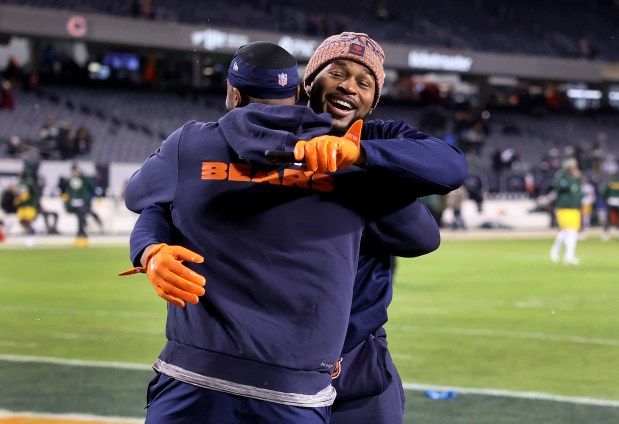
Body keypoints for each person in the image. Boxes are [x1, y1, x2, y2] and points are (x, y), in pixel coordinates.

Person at [123, 36, 466, 424]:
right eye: (336, 73)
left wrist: (361, 159)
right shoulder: (232, 141)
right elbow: (162, 204)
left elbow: (447, 176)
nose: (348, 86)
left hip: (353, 355)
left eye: (364, 82)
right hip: (286, 367)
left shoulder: (372, 147)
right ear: (308, 84)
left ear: (373, 103)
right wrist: (150, 248)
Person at [550, 158, 583, 265]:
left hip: (574, 209)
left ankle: (555, 251)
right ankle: (569, 256)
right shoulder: (561, 176)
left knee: (565, 232)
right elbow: (559, 186)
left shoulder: (575, 179)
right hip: (564, 208)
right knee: (571, 232)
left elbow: (578, 193)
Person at [62, 164, 96, 247]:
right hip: (74, 203)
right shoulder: (71, 179)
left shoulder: (83, 179)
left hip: (82, 202)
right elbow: (69, 191)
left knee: (81, 219)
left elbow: (91, 187)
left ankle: (80, 237)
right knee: (80, 220)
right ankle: (82, 237)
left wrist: (86, 198)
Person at [601, 170, 619, 241]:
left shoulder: (609, 183)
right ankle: (617, 230)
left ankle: (606, 231)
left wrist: (606, 199)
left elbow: (604, 192)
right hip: (617, 201)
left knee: (608, 218)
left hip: (611, 201)